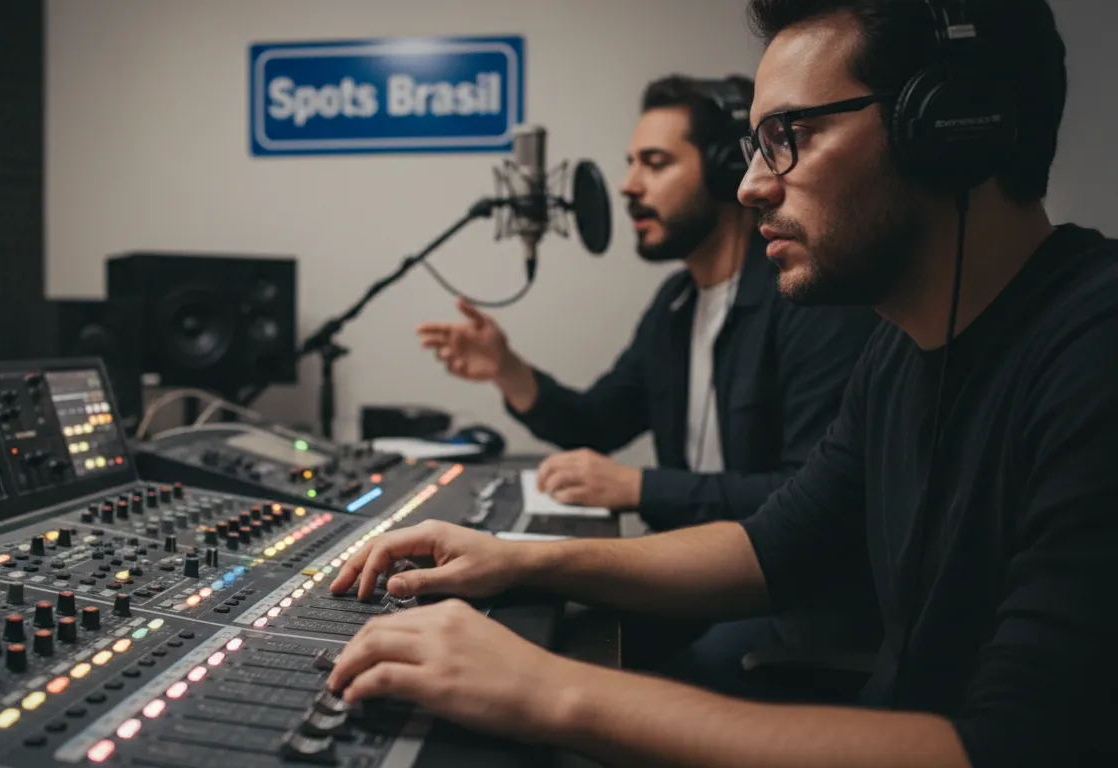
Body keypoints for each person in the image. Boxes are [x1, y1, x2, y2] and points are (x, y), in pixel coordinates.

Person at [326, 1, 1118, 765]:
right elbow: (771, 547)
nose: (750, 186)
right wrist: (519, 559)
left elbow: (1016, 749)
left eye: (790, 136)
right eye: (755, 145)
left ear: (949, 124)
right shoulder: (899, 351)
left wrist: (548, 691)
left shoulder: (1094, 350)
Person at [417, 75, 876, 533]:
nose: (628, 186)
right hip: (687, 565)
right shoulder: (676, 303)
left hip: (779, 575)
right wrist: (506, 368)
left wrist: (640, 488)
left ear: (726, 170)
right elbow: (597, 424)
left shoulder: (806, 297)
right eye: (631, 164)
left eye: (655, 164)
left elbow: (815, 496)